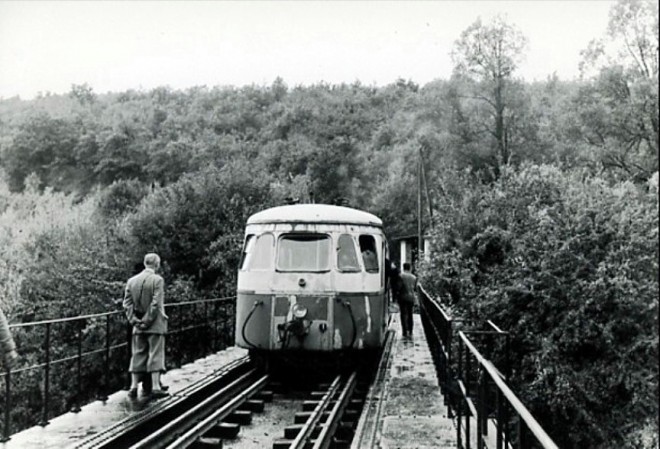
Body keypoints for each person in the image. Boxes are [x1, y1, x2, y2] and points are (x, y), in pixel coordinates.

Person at [123, 253, 169, 399]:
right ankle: (155, 386)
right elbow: (156, 303)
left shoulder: (131, 281)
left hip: (137, 324)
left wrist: (135, 320)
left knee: (137, 353)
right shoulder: (158, 280)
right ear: (157, 264)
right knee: (155, 353)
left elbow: (127, 304)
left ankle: (133, 386)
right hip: (154, 323)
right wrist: (147, 320)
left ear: (144, 263)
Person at [398, 262, 418, 338]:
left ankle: (404, 331)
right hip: (411, 297)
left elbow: (399, 287)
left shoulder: (400, 276)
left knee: (403, 314)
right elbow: (415, 289)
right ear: (410, 268)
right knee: (410, 314)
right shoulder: (414, 277)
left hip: (402, 297)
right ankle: (410, 330)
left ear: (403, 267)